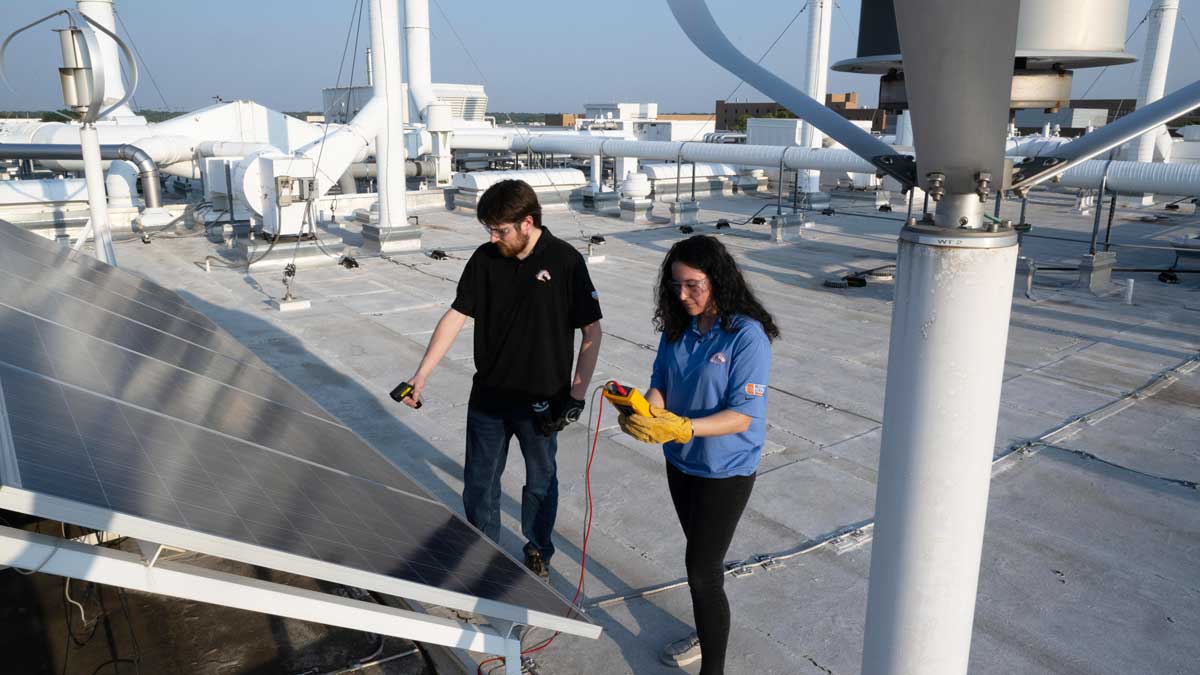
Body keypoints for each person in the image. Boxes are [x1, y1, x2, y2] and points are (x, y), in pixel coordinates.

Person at [402, 179, 603, 580]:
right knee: (479, 483)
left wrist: (576, 396)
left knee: (540, 483)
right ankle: (483, 550)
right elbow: (456, 315)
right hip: (489, 397)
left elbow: (592, 331)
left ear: (527, 222)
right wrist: (421, 375)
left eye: (500, 230)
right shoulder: (485, 259)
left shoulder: (565, 261)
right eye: (489, 230)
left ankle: (538, 550)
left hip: (542, 402)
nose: (493, 238)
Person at [617, 235, 778, 674]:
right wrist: (643, 410)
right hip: (681, 463)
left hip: (726, 469)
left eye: (693, 285)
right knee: (702, 565)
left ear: (718, 280)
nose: (683, 295)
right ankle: (707, 630)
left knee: (702, 571)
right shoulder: (678, 329)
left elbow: (742, 416)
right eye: (676, 285)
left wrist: (684, 426)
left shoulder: (746, 336)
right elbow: (661, 384)